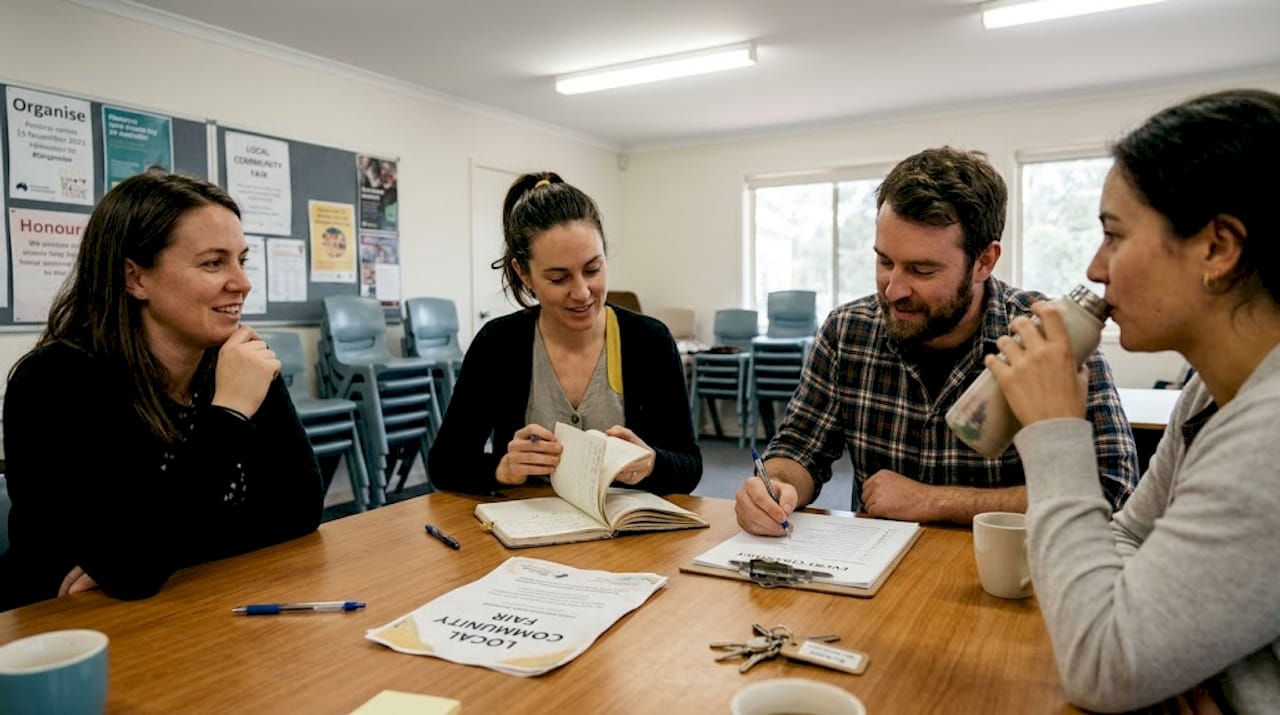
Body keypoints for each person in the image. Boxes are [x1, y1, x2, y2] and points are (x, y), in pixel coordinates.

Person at [988, 90, 1280, 713]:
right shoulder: (1212, 389)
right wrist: (1157, 654)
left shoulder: (1272, 433)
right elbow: (1128, 537)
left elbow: (1102, 664)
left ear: (1218, 248)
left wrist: (1054, 431)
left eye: (1114, 237)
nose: (1096, 269)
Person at [736, 147, 1138, 534]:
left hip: (1004, 582)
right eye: (884, 261)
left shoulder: (1050, 339)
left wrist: (935, 501)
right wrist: (776, 486)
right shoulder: (847, 332)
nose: (893, 289)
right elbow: (800, 448)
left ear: (984, 261)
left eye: (922, 270)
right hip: (874, 578)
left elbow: (1110, 493)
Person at [0, 170, 323, 612]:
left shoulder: (237, 361)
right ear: (135, 278)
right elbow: (134, 569)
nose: (242, 283)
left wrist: (161, 552)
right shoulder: (57, 382)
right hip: (61, 626)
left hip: (193, 603)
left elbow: (298, 512)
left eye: (241, 260)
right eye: (213, 263)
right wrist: (228, 414)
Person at [428, 172, 701, 495]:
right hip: (524, 532)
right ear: (523, 274)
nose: (583, 292)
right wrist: (502, 468)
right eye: (559, 278)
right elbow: (444, 464)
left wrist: (652, 462)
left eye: (593, 269)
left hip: (626, 535)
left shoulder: (649, 341)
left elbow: (689, 467)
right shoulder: (498, 344)